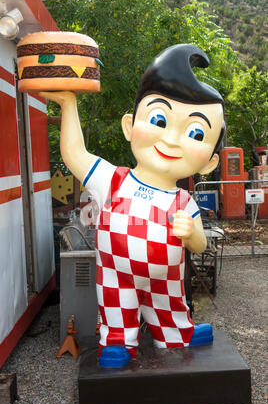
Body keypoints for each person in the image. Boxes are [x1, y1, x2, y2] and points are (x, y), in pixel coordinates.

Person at [41, 44, 225, 367]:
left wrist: (191, 231)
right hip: (117, 273)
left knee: (171, 312)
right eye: (158, 118)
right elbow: (75, 154)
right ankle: (117, 341)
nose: (171, 139)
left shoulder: (182, 199)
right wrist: (69, 104)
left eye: (195, 133)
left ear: (209, 163)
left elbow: (200, 242)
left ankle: (179, 331)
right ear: (130, 126)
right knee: (116, 310)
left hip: (164, 277)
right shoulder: (113, 179)